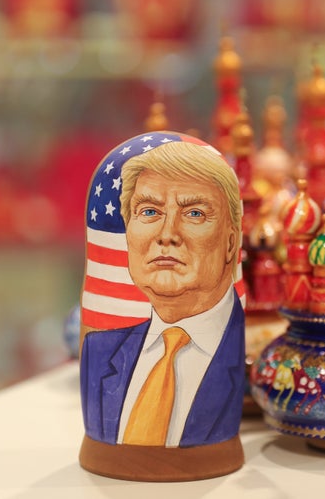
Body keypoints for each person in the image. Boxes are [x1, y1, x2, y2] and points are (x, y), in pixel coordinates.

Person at [80, 139, 245, 449]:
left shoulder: (238, 349)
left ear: (230, 242)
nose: (167, 234)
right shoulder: (99, 351)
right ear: (128, 231)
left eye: (195, 213)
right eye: (150, 211)